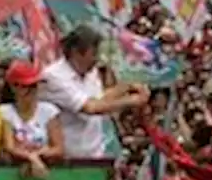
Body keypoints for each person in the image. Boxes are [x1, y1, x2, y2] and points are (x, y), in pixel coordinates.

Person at [39, 25, 149, 158]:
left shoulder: (91, 72)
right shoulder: (54, 76)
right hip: (65, 159)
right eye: (93, 53)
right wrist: (131, 101)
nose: (97, 58)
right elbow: (90, 108)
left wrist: (127, 88)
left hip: (94, 155)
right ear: (76, 52)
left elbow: (99, 99)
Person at [0, 61, 64, 178]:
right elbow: (9, 147)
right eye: (27, 86)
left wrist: (38, 155)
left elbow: (58, 148)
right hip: (12, 175)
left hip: (44, 171)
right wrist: (31, 158)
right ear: (13, 87)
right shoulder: (5, 112)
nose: (33, 90)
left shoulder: (49, 111)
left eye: (35, 85)